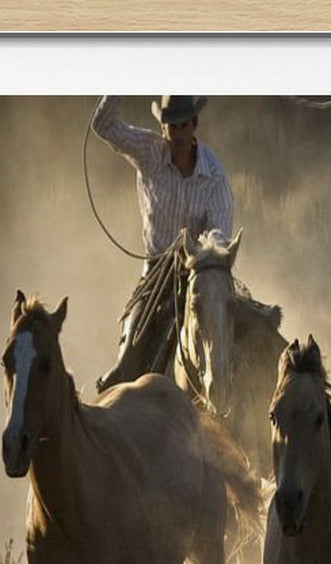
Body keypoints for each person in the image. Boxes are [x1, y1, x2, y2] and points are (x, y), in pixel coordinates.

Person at [91, 95, 234, 388]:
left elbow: (220, 232)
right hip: (156, 277)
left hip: (200, 271)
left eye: (183, 125)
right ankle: (117, 389)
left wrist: (205, 250)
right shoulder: (149, 151)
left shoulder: (214, 175)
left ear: (194, 124)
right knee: (130, 359)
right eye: (171, 126)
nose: (178, 134)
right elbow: (102, 125)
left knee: (238, 329)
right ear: (163, 127)